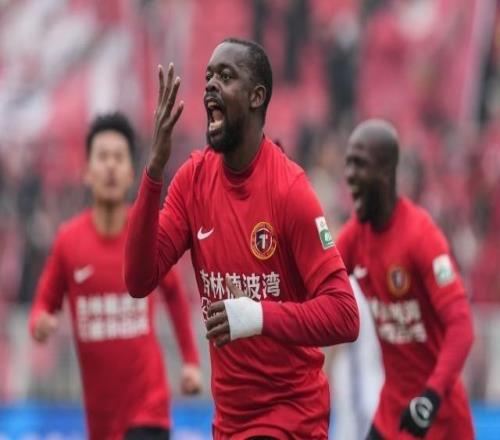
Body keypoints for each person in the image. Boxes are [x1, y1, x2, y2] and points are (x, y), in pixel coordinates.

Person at [124, 37, 359, 439]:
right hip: (230, 421)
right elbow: (138, 279)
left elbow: (344, 314)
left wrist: (258, 316)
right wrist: (154, 172)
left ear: (256, 96)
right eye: (208, 76)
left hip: (291, 417)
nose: (210, 85)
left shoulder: (289, 190)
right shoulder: (192, 181)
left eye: (226, 76)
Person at [29, 113, 202, 440]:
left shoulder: (145, 235)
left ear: (131, 172)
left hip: (149, 409)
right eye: (103, 157)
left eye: (119, 158)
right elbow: (43, 304)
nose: (110, 166)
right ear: (86, 171)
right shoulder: (68, 242)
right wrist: (40, 323)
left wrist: (191, 361)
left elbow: (175, 295)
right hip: (101, 420)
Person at [336, 119, 474, 439]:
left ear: (386, 172)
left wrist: (430, 397)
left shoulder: (421, 236)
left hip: (437, 417)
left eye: (359, 164)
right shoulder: (356, 236)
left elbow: (462, 326)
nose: (349, 175)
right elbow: (311, 284)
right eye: (348, 164)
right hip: (392, 414)